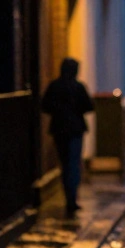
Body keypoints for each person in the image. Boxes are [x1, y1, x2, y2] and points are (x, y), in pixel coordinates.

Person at [40, 57, 94, 218]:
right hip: (76, 129)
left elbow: (45, 106)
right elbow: (89, 106)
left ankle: (68, 195)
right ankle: (72, 197)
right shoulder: (78, 87)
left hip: (59, 129)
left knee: (65, 163)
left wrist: (59, 111)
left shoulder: (54, 86)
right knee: (74, 163)